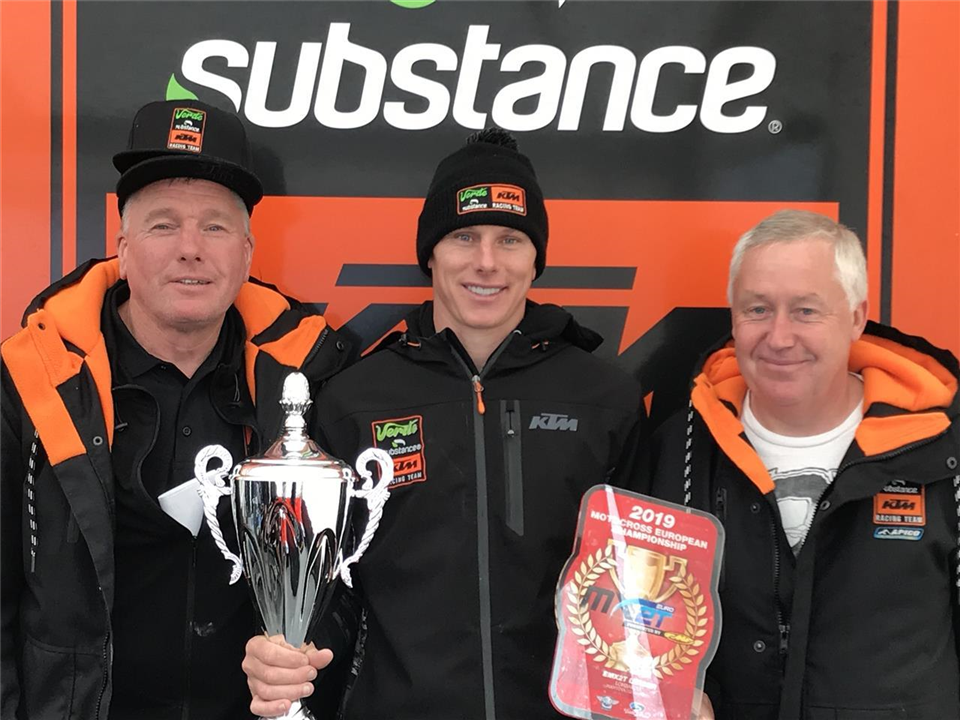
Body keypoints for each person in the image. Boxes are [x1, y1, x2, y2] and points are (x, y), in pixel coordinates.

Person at [242, 128, 646, 719]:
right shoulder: (356, 399)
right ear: (430, 252)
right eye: (464, 236)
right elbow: (328, 584)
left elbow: (647, 585)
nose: (487, 262)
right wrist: (292, 652)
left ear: (536, 258)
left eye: (510, 239)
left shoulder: (606, 397)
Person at [0, 100, 349, 719]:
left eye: (214, 227)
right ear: (123, 248)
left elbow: (354, 579)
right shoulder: (31, 380)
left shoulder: (313, 377)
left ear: (247, 252)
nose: (190, 249)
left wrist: (307, 650)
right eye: (163, 225)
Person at [645, 209, 960, 719]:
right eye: (757, 309)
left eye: (806, 311)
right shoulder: (676, 449)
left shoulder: (942, 450)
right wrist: (663, 695)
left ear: (856, 317)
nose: (779, 336)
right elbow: (632, 623)